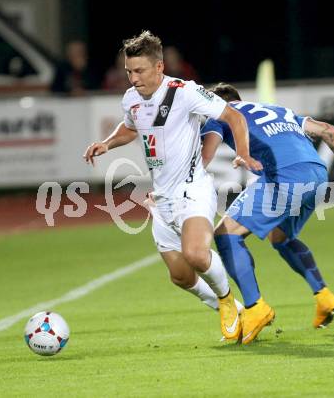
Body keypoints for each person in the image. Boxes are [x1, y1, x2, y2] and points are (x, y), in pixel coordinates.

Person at [83, 32, 262, 341]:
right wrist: (107, 143)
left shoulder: (185, 92)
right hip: (162, 198)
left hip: (193, 190)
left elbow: (233, 116)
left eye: (139, 71)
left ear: (160, 67)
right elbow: (129, 128)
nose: (133, 78)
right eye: (129, 71)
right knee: (180, 276)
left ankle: (227, 300)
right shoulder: (131, 99)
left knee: (196, 254)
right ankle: (236, 310)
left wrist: (243, 152)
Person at [201, 83, 334, 344]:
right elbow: (329, 131)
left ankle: (255, 308)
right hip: (317, 174)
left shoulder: (220, 114)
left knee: (225, 234)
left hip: (286, 177)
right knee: (281, 237)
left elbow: (202, 158)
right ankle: (323, 296)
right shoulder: (280, 111)